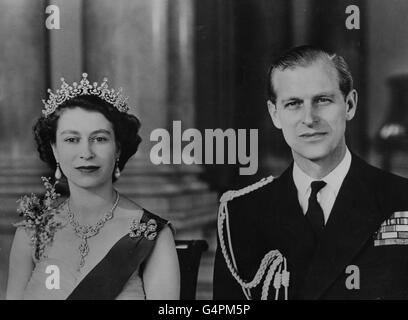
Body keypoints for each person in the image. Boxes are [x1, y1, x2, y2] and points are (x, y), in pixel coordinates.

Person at [213, 45, 408, 300]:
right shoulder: (240, 213)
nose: (309, 118)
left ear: (349, 105)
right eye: (293, 103)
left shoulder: (400, 199)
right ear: (275, 114)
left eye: (322, 100)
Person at [6, 73, 180, 300]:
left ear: (117, 149)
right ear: (55, 149)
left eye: (99, 139)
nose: (86, 153)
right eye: (71, 139)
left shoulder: (151, 234)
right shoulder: (32, 232)